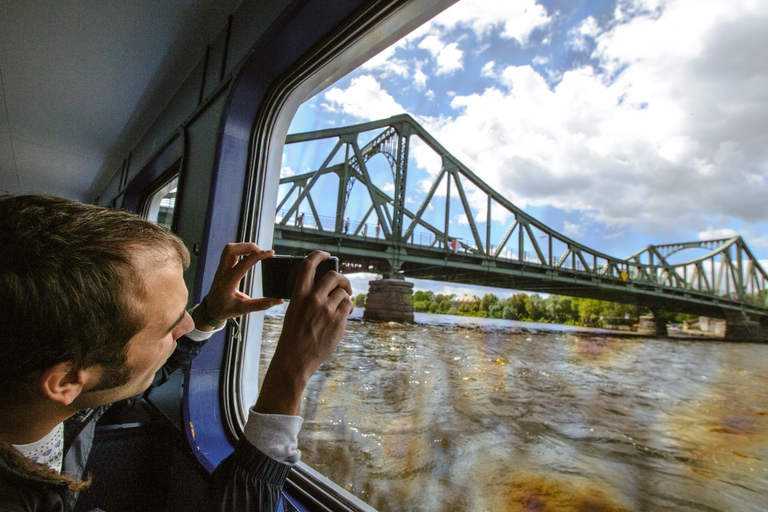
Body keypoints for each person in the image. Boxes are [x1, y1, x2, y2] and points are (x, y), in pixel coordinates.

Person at [0, 194, 354, 511]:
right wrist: (291, 373)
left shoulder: (54, 401)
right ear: (65, 381)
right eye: (169, 326)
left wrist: (211, 314)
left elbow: (127, 378)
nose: (188, 325)